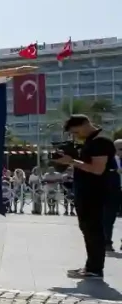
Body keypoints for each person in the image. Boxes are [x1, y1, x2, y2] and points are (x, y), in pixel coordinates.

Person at [55, 114, 116, 279]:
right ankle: (90, 266)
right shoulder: (91, 141)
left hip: (95, 192)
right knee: (87, 228)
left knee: (93, 229)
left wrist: (71, 161)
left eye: (76, 132)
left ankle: (95, 268)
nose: (76, 136)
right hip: (87, 191)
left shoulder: (101, 141)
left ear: (84, 124)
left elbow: (97, 169)